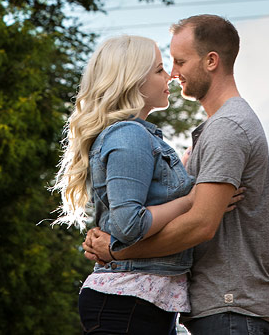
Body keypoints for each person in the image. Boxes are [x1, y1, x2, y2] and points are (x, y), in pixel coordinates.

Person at [84, 15, 269, 335]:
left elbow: (200, 224)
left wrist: (116, 251)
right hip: (212, 305)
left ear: (211, 61)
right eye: (166, 65)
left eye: (179, 62)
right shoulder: (213, 129)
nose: (173, 74)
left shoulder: (227, 128)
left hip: (229, 304)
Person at [54, 34, 200, 334]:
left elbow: (146, 201)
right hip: (126, 301)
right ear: (133, 80)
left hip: (140, 300)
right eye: (159, 69)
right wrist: (191, 199)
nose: (171, 75)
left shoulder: (136, 136)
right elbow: (128, 226)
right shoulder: (129, 136)